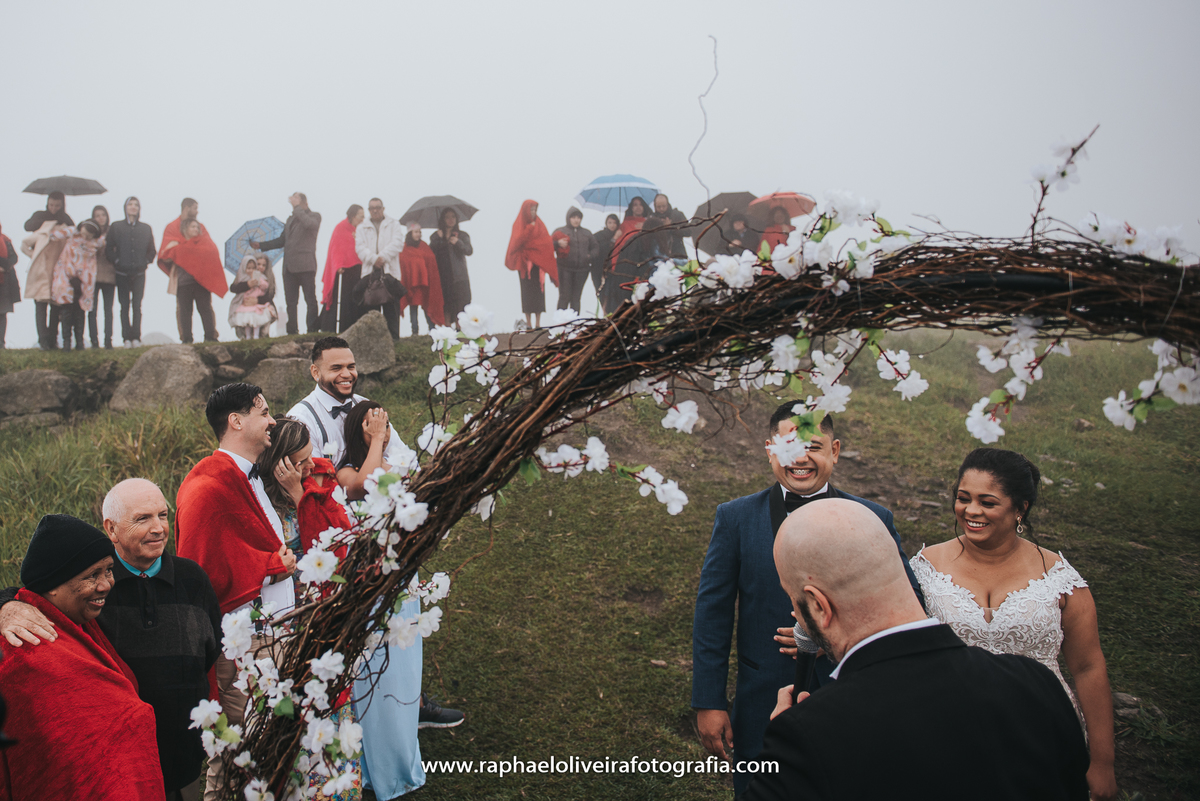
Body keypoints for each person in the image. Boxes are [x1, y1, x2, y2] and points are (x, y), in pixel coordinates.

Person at [741, 499, 1090, 801]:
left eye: (795, 599)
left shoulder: (807, 737)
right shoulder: (1035, 682)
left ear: (818, 606)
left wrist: (782, 760)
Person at [692, 401, 924, 797]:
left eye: (814, 446)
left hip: (855, 699)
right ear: (769, 450)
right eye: (788, 446)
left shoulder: (873, 518)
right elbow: (712, 615)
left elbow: (910, 605)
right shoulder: (735, 518)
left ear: (834, 450)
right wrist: (708, 702)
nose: (801, 458)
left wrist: (835, 638)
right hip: (762, 699)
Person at [911, 448, 1117, 800]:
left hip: (1039, 727)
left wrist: (1103, 763)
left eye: (987, 502)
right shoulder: (925, 567)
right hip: (947, 726)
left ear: (1020, 508)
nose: (971, 511)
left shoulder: (1059, 579)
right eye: (963, 498)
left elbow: (1087, 667)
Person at [0, 480, 222, 801]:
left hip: (184, 758)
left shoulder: (192, 579)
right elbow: (34, 593)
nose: (158, 528)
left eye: (163, 515)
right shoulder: (75, 598)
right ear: (112, 529)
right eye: (143, 518)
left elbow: (215, 660)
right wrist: (6, 605)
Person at [175, 382, 297, 801]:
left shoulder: (249, 478)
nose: (272, 420)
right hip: (244, 648)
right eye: (264, 412)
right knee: (233, 758)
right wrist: (270, 566)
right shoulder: (206, 487)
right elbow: (198, 570)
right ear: (236, 420)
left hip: (274, 637)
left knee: (270, 754)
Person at [0, 514, 164, 800]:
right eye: (92, 576)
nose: (105, 585)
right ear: (52, 583)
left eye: (109, 570)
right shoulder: (27, 650)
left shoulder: (77, 618)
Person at [287, 337, 413, 467]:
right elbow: (311, 479)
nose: (347, 374)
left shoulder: (365, 405)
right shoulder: (301, 419)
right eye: (336, 368)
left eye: (351, 367)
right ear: (316, 372)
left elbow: (403, 456)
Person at [251, 192, 322, 334]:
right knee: (291, 302)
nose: (293, 202)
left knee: (310, 299)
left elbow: (309, 224)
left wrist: (297, 208)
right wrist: (261, 245)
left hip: (306, 265)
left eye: (296, 199)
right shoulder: (290, 220)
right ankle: (292, 330)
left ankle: (312, 329)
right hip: (289, 267)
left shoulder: (314, 216)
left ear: (304, 203)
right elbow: (282, 240)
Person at [158, 198, 227, 344]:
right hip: (183, 279)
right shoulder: (172, 227)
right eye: (195, 208)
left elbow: (210, 249)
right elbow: (167, 252)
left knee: (206, 307)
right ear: (187, 208)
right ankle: (186, 338)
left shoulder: (201, 227)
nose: (197, 211)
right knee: (184, 310)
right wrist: (183, 251)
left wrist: (188, 250)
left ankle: (211, 335)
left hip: (202, 279)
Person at [22, 192, 73, 349]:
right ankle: (43, 340)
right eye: (51, 205)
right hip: (41, 269)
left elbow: (73, 237)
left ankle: (52, 339)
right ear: (47, 203)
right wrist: (35, 256)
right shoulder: (39, 217)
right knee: (40, 304)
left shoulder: (66, 220)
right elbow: (27, 228)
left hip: (58, 269)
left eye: (57, 205)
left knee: (56, 306)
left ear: (62, 205)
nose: (53, 208)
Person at [105, 196, 156, 348]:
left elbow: (152, 250)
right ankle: (126, 338)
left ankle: (136, 337)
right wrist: (117, 261)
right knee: (124, 306)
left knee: (137, 305)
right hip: (122, 273)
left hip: (139, 272)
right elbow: (109, 248)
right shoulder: (116, 227)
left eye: (136, 205)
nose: (133, 207)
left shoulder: (145, 228)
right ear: (125, 208)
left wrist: (145, 261)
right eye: (130, 204)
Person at [49, 219, 106, 351]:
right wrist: (72, 230)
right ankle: (66, 343)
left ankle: (79, 341)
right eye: (84, 233)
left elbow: (103, 241)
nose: (84, 237)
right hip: (66, 275)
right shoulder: (72, 233)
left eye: (88, 236)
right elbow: (53, 235)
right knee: (66, 309)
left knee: (80, 309)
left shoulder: (96, 242)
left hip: (84, 278)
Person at [354, 198, 404, 338]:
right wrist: (374, 259)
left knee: (392, 313)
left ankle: (394, 342)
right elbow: (359, 248)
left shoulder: (393, 224)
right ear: (369, 210)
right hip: (369, 273)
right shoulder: (361, 227)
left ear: (383, 208)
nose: (375, 210)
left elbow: (397, 244)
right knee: (371, 312)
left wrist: (381, 258)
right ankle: (374, 344)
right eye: (372, 208)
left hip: (390, 273)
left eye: (378, 207)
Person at [505, 199, 558, 330]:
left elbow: (545, 242)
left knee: (539, 292)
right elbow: (516, 243)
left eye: (535, 210)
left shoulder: (540, 225)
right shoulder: (519, 225)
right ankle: (528, 323)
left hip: (538, 265)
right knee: (526, 292)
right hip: (524, 265)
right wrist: (529, 229)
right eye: (531, 210)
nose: (533, 212)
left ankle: (538, 323)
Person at [321, 204, 365, 333]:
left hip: (359, 268)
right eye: (360, 216)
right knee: (343, 299)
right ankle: (334, 327)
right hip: (345, 270)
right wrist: (338, 265)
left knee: (356, 298)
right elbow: (336, 248)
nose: (363, 219)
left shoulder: (361, 230)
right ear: (352, 216)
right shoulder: (341, 228)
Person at [398, 222, 445, 336]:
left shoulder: (424, 246)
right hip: (411, 285)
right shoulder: (404, 248)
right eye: (416, 232)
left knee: (427, 306)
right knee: (413, 308)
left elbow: (431, 260)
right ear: (410, 233)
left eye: (420, 232)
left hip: (425, 284)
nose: (418, 234)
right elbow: (403, 264)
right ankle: (415, 332)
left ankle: (432, 330)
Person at [428, 208, 473, 324]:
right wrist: (438, 239)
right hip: (443, 276)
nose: (450, 220)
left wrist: (458, 242)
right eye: (447, 217)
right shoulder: (436, 236)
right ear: (443, 219)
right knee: (446, 304)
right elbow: (430, 252)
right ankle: (447, 329)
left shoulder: (462, 235)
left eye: (453, 216)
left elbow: (469, 250)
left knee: (461, 303)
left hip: (459, 276)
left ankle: (460, 329)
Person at [552, 206, 598, 313]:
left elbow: (595, 247)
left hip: (582, 270)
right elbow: (548, 245)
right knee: (564, 296)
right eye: (573, 217)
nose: (576, 220)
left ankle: (575, 325)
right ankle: (559, 323)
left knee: (576, 298)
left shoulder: (586, 233)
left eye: (578, 217)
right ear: (568, 218)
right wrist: (557, 243)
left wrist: (589, 256)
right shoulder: (560, 231)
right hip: (564, 269)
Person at [607, 197, 650, 307]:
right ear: (631, 208)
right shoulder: (625, 224)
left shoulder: (648, 223)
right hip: (626, 263)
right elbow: (618, 245)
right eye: (635, 204)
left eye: (640, 204)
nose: (638, 207)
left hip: (643, 262)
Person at [228, 253, 277, 339]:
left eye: (263, 265)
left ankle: (262, 335)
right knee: (243, 317)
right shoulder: (244, 276)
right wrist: (248, 285)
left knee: (265, 313)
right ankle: (245, 336)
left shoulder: (266, 278)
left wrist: (257, 300)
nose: (260, 267)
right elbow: (233, 288)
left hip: (260, 305)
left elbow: (270, 295)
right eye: (258, 264)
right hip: (245, 305)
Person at [87, 205, 117, 349]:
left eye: (103, 215)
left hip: (109, 274)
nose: (101, 218)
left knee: (108, 310)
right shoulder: (89, 233)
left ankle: (108, 341)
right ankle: (94, 341)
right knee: (92, 310)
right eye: (97, 215)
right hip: (93, 275)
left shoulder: (113, 232)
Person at [592, 213, 620, 313]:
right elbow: (599, 250)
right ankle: (605, 314)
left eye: (614, 223)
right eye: (610, 222)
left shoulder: (621, 234)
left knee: (612, 294)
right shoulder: (599, 236)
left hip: (614, 270)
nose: (612, 225)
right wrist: (613, 240)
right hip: (599, 270)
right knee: (602, 294)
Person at [647, 193, 689, 259]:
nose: (661, 209)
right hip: (658, 255)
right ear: (655, 206)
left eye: (664, 206)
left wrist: (671, 227)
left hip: (678, 253)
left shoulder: (677, 215)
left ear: (668, 204)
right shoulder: (652, 219)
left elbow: (688, 232)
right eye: (659, 207)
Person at [0, 222, 19, 349]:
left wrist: (4, 266)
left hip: (4, 283)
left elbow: (14, 258)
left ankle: (1, 343)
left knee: (2, 314)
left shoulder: (6, 240)